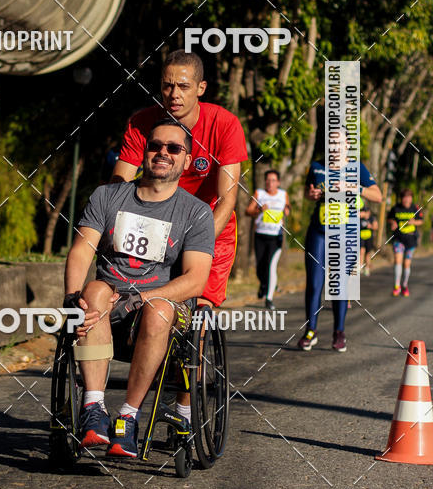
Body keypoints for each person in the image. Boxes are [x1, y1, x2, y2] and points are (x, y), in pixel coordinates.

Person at [64, 118, 215, 459]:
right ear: (144, 152)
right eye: (155, 146)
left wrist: (140, 298)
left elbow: (195, 279)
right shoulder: (107, 196)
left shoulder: (196, 212)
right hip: (107, 307)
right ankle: (94, 409)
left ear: (187, 160)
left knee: (158, 309)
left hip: (160, 311)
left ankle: (128, 418)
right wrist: (73, 299)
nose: (163, 152)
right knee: (93, 291)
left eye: (173, 148)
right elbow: (81, 250)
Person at [111, 50, 248, 308]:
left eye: (184, 86)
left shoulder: (225, 124)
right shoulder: (141, 122)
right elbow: (118, 186)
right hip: (154, 226)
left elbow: (227, 199)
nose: (174, 94)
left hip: (210, 226)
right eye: (168, 85)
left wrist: (195, 242)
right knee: (139, 307)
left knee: (199, 313)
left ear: (200, 88)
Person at [298, 130, 382, 353]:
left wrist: (352, 187)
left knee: (339, 284)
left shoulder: (357, 168)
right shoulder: (317, 166)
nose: (334, 146)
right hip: (319, 231)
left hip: (345, 235)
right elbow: (307, 192)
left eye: (338, 142)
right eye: (331, 141)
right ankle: (310, 332)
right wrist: (311, 195)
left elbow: (378, 196)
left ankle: (339, 332)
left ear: (347, 145)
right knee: (314, 283)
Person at [246, 169, 290, 309]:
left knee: (271, 266)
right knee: (260, 267)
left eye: (273, 180)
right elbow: (248, 211)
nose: (270, 183)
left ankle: (269, 299)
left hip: (275, 237)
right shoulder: (259, 193)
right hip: (260, 235)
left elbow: (287, 207)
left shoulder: (283, 194)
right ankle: (264, 284)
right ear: (265, 181)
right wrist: (259, 209)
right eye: (268, 180)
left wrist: (287, 210)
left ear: (278, 182)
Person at [388, 189, 424, 297]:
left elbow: (421, 221)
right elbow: (389, 218)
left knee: (406, 264)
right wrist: (393, 222)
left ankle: (404, 285)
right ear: (401, 198)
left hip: (411, 240)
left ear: (411, 198)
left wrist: (414, 222)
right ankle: (396, 286)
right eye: (404, 197)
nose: (407, 199)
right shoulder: (396, 208)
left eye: (409, 197)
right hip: (398, 239)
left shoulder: (415, 208)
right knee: (397, 260)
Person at [359, 195, 377, 276]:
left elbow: (376, 227)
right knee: (361, 251)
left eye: (367, 212)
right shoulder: (360, 218)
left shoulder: (372, 218)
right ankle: (360, 267)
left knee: (368, 253)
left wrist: (371, 226)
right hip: (361, 237)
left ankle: (367, 268)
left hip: (369, 238)